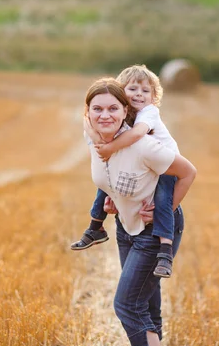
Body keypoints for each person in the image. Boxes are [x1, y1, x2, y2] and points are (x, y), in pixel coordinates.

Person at [80, 77, 196, 346]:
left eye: (112, 108)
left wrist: (163, 210)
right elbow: (115, 177)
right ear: (88, 114)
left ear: (125, 110)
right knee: (146, 305)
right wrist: (115, 201)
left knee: (128, 305)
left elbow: (188, 172)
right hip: (125, 229)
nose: (104, 115)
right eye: (97, 109)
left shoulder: (144, 144)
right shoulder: (95, 142)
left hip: (153, 231)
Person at [71, 65, 180, 279]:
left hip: (167, 166)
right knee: (107, 182)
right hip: (143, 166)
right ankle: (95, 226)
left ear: (154, 96)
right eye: (132, 89)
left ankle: (165, 249)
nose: (139, 94)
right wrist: (97, 140)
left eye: (145, 91)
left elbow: (138, 134)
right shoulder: (120, 112)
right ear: (121, 92)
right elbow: (86, 120)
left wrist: (109, 148)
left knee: (163, 200)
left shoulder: (149, 113)